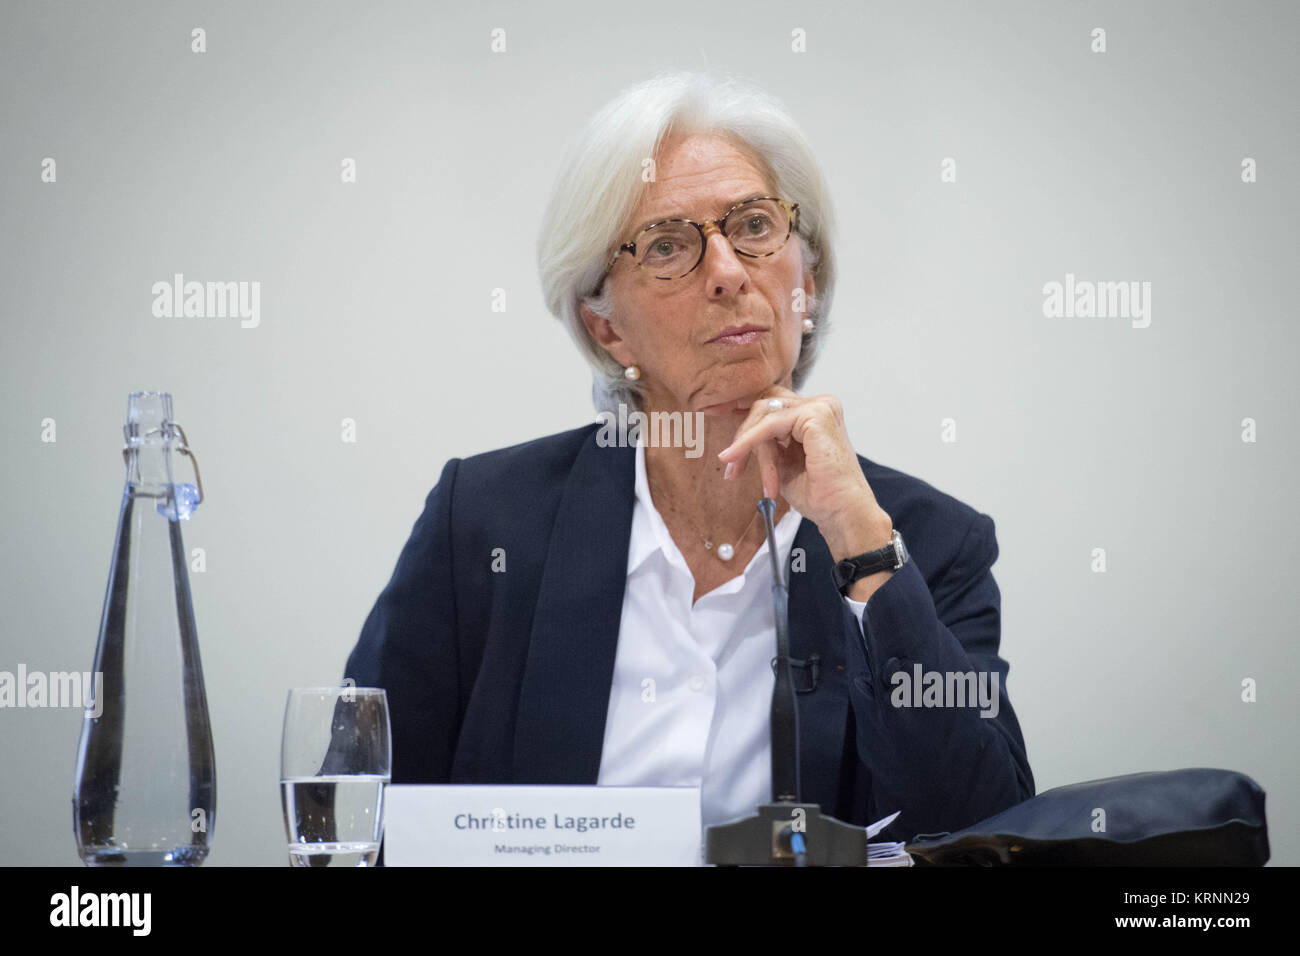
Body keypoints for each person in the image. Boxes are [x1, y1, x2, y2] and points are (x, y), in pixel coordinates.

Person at [344, 70, 1034, 844]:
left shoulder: (926, 545)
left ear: (806, 282)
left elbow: (991, 835)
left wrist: (864, 554)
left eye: (753, 227)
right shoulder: (484, 520)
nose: (730, 273)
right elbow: (355, 808)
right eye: (669, 246)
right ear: (607, 328)